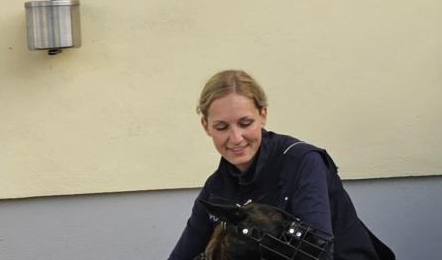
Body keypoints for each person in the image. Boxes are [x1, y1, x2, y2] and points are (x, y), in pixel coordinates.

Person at [168, 70, 392, 260]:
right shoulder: (216, 189)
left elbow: (319, 253)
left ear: (263, 114)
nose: (236, 138)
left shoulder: (302, 162)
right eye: (221, 127)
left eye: (245, 123)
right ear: (205, 126)